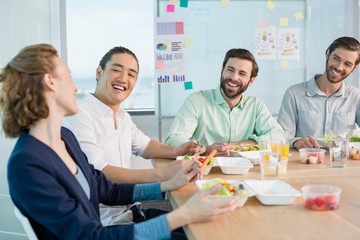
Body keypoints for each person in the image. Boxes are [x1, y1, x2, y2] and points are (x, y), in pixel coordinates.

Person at [1, 43, 240, 239]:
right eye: (70, 78)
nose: (75, 88)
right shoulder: (27, 164)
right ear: (50, 82)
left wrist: (169, 184)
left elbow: (107, 190)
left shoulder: (66, 139)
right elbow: (90, 236)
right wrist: (184, 214)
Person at [63, 46, 200, 185]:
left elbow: (144, 146)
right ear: (99, 72)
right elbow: (98, 171)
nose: (123, 79)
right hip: (101, 207)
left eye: (131, 75)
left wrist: (177, 151)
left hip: (129, 204)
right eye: (116, 70)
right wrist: (162, 173)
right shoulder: (80, 115)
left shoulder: (123, 116)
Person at [164, 48, 284, 156]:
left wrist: (240, 145)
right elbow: (173, 140)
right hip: (204, 171)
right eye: (230, 70)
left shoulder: (256, 105)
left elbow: (279, 137)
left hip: (245, 173)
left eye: (242, 73)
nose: (234, 77)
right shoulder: (197, 100)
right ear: (222, 70)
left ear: (251, 80)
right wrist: (205, 149)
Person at [277, 36, 360, 150]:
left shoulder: (356, 96)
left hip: (342, 163)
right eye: (336, 58)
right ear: (327, 54)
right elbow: (281, 136)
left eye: (347, 64)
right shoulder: (294, 93)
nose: (339, 67)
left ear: (354, 68)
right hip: (305, 162)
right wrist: (296, 141)